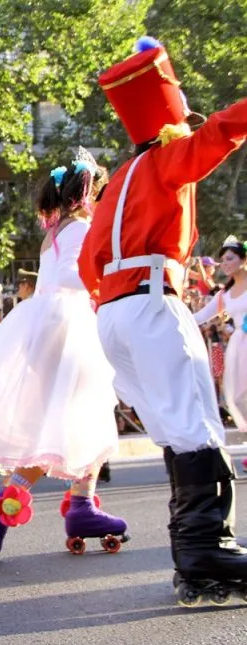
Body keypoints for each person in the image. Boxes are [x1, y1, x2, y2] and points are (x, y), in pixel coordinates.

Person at [78, 37, 247, 606]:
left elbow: (86, 264)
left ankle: (196, 555)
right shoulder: (165, 159)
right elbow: (222, 131)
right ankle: (207, 552)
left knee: (177, 431)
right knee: (197, 425)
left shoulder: (116, 181)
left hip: (114, 312)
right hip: (152, 303)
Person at [0, 151, 127, 557]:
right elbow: (71, 274)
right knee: (72, 417)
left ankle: (82, 504)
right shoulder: (80, 228)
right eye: (100, 191)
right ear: (87, 193)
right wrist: (109, 271)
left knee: (82, 416)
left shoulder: (58, 228)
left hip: (53, 324)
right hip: (66, 327)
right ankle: (10, 504)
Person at [193, 236, 247, 431]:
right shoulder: (225, 294)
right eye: (223, 260)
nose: (225, 263)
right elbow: (200, 316)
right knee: (239, 397)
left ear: (244, 259)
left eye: (230, 258)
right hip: (239, 346)